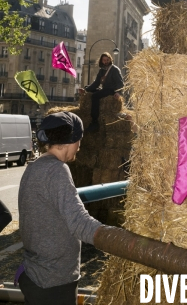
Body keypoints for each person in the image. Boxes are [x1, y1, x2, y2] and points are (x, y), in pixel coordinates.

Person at [17, 111, 103, 305]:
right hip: (54, 283)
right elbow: (78, 222)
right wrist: (110, 236)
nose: (79, 148)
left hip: (35, 274)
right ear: (72, 140)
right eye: (79, 141)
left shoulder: (34, 166)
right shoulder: (57, 170)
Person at [79, 52, 124, 132]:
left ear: (110, 60)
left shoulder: (114, 69)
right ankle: (86, 90)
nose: (106, 61)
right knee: (91, 90)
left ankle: (95, 122)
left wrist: (118, 92)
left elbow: (120, 83)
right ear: (101, 61)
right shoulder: (101, 71)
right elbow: (96, 83)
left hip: (111, 90)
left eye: (107, 60)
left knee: (95, 96)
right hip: (105, 89)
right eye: (104, 60)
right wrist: (86, 90)